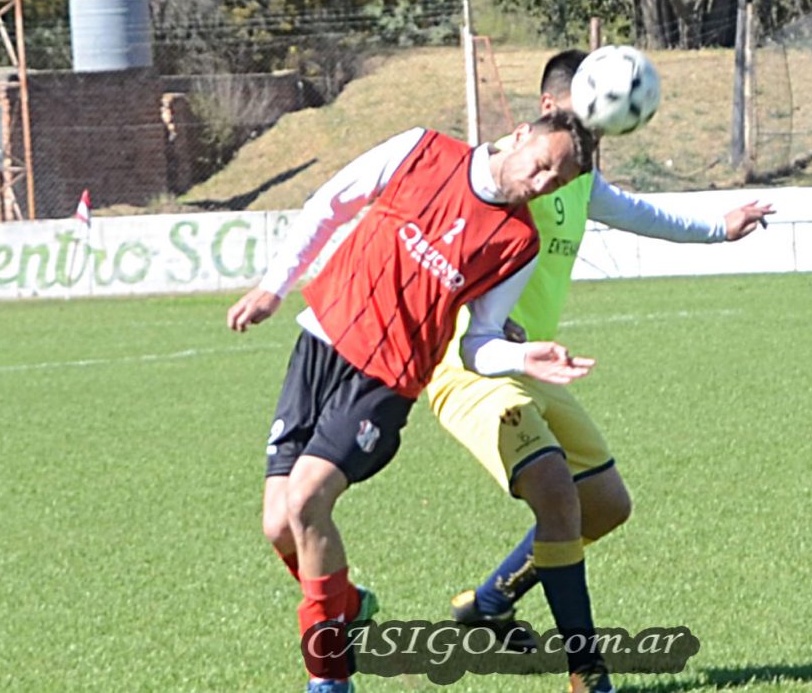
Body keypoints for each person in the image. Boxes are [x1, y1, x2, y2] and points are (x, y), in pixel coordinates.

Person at [425, 50, 775, 693]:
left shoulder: (577, 180)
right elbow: (444, 240)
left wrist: (719, 229)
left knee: (606, 507)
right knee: (558, 493)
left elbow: (640, 214)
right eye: (587, 114)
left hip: (534, 364)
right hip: (471, 365)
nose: (595, 132)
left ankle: (491, 601)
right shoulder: (508, 166)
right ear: (549, 108)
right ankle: (587, 674)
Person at [228, 111, 597, 693]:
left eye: (560, 181)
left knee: (305, 501)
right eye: (543, 165)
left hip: (385, 380)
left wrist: (521, 358)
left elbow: (478, 343)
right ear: (522, 134)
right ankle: (349, 604)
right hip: (319, 340)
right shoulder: (423, 150)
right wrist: (274, 286)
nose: (544, 182)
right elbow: (331, 203)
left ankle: (329, 679)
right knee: (279, 525)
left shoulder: (519, 243)